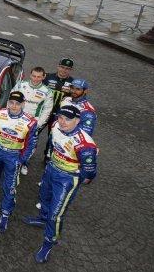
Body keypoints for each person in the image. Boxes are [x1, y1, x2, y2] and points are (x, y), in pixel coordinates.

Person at [23, 104, 98, 263]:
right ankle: (42, 218)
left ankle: (49, 242)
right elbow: (53, 144)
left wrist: (75, 178)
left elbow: (90, 172)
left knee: (56, 214)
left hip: (67, 179)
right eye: (61, 117)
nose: (63, 122)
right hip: (51, 169)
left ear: (77, 121)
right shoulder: (56, 125)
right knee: (44, 197)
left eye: (68, 119)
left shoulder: (85, 144)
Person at [0, 91, 38, 232]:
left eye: (17, 103)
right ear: (8, 103)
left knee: (10, 186)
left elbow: (31, 144)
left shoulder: (30, 122)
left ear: (23, 104)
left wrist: (22, 160)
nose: (14, 106)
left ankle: (5, 214)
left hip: (13, 155)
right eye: (11, 103)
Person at [12, 66, 53, 175]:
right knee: (14, 140)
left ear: (43, 77)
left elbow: (47, 110)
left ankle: (24, 163)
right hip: (17, 119)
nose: (35, 79)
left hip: (33, 123)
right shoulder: (21, 85)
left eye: (39, 77)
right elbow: (11, 99)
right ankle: (11, 160)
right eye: (34, 76)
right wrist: (10, 115)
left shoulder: (47, 92)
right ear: (30, 75)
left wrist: (38, 124)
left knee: (30, 144)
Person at [42, 58, 74, 163]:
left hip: (59, 116)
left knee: (53, 136)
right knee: (34, 133)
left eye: (67, 68)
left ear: (71, 70)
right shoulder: (47, 77)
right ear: (58, 66)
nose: (64, 70)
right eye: (62, 67)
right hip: (44, 112)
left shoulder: (73, 83)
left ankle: (48, 157)